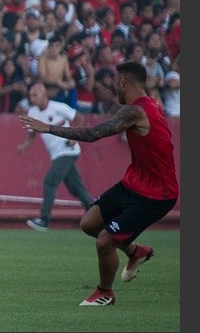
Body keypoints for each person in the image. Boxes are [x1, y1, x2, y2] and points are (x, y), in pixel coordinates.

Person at [20, 61, 179, 306]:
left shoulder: (135, 111)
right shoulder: (150, 105)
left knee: (105, 241)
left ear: (123, 81)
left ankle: (105, 292)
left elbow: (93, 134)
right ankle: (135, 251)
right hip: (134, 183)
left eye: (116, 83)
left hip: (157, 194)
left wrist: (48, 128)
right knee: (90, 223)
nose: (114, 87)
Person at [16, 83, 95, 231]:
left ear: (44, 95)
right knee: (76, 187)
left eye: (35, 95)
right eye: (31, 96)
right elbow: (31, 134)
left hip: (67, 151)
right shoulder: (32, 112)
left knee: (50, 181)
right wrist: (24, 145)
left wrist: (74, 138)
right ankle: (95, 213)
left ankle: (44, 220)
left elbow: (79, 117)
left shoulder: (58, 107)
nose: (32, 98)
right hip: (56, 154)